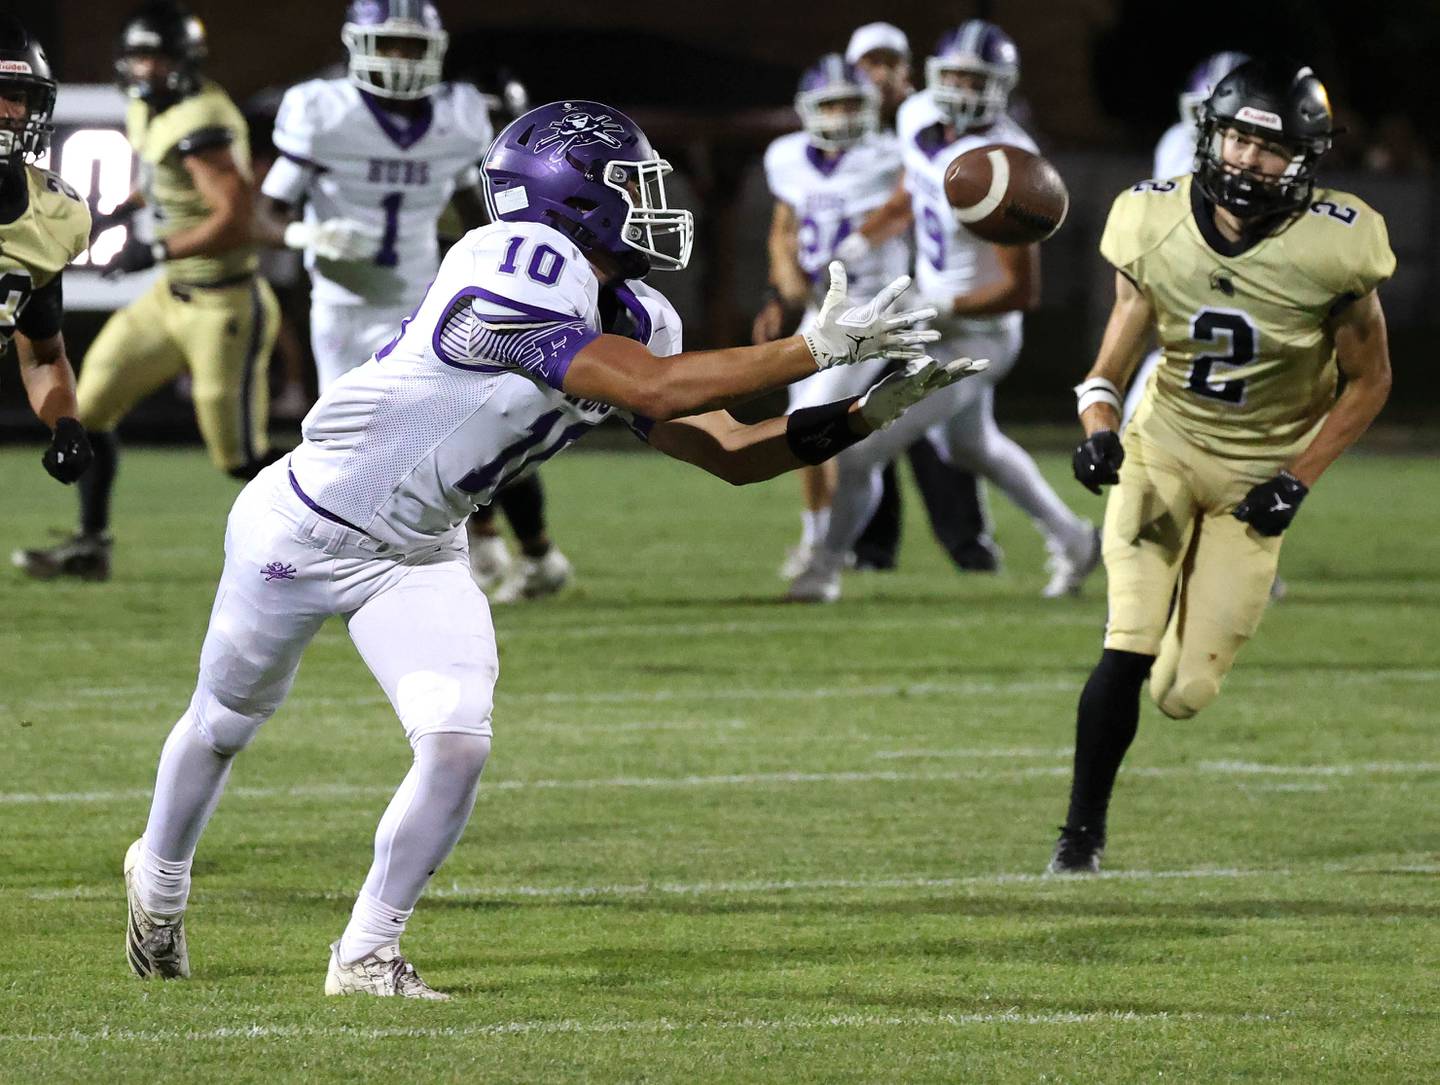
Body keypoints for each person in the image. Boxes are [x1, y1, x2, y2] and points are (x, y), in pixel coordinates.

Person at [121, 98, 982, 998]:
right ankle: (161, 878)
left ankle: (367, 951)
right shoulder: (513, 260)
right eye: (633, 186)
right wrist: (811, 348)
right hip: (308, 522)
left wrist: (857, 415)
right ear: (568, 197)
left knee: (456, 743)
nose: (655, 204)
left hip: (417, 550)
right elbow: (647, 388)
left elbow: (726, 451)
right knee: (223, 722)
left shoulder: (641, 313)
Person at [1050, 60, 1394, 874]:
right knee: (1126, 645)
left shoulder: (1338, 246)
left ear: (1304, 160)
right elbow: (1108, 366)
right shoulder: (1151, 218)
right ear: (1212, 134)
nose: (1247, 161)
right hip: (1164, 449)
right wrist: (1098, 428)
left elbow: (1372, 380)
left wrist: (1297, 478)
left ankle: (1187, 603)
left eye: (1270, 149)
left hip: (1256, 477)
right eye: (1238, 138)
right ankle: (1079, 839)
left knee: (1181, 695)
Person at [789, 21, 1099, 603]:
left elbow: (1020, 291)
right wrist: (861, 239)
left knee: (857, 450)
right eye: (953, 73)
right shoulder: (917, 117)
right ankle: (1076, 540)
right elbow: (914, 189)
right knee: (971, 448)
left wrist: (944, 303)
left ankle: (822, 569)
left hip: (977, 334)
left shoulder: (1012, 162)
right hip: (934, 315)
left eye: (975, 78)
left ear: (1002, 85)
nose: (960, 86)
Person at [13, 1, 280, 582]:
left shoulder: (201, 120)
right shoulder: (148, 109)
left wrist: (155, 248)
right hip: (170, 296)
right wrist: (118, 214)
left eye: (157, 59)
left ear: (184, 62)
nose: (145, 71)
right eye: (137, 57)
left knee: (238, 459)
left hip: (224, 301)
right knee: (90, 410)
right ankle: (91, 544)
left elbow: (235, 219)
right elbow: (160, 182)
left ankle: (346, 529)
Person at [0, 16, 94, 494]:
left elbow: (42, 356)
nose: (4, 111)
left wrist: (66, 423)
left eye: (15, 96)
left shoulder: (52, 217)